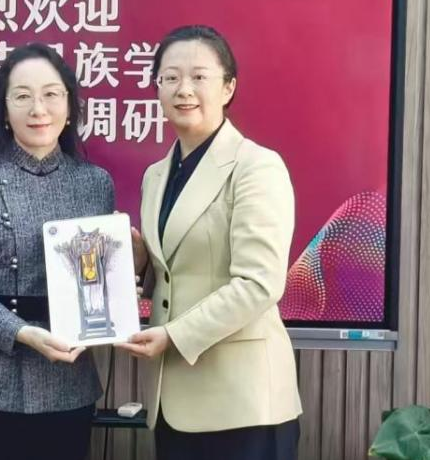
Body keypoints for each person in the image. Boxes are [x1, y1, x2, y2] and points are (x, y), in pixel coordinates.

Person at [118, 25, 302, 460]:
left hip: (243, 404)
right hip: (174, 400)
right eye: (170, 77)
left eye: (199, 76)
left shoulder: (256, 167)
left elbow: (259, 284)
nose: (184, 89)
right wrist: (141, 263)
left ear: (228, 87)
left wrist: (172, 336)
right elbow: (177, 273)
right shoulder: (156, 176)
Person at [0, 43, 115, 460]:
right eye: (22, 96)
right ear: (3, 111)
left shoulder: (96, 184)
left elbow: (97, 281)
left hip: (67, 382)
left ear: (69, 108)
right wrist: (20, 332)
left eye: (51, 94)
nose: (38, 109)